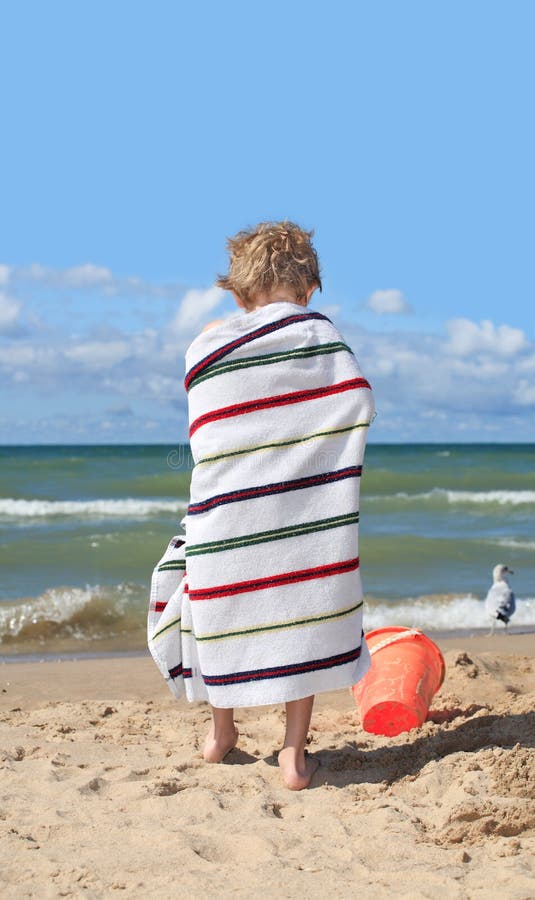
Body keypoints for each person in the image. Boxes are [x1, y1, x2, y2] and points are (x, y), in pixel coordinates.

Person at [148, 221, 374, 790]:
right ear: (309, 289)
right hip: (300, 525)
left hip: (225, 523)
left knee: (216, 616)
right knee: (302, 610)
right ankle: (294, 756)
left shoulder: (207, 342)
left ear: (239, 292)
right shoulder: (322, 336)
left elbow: (214, 419)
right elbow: (354, 399)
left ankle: (221, 734)